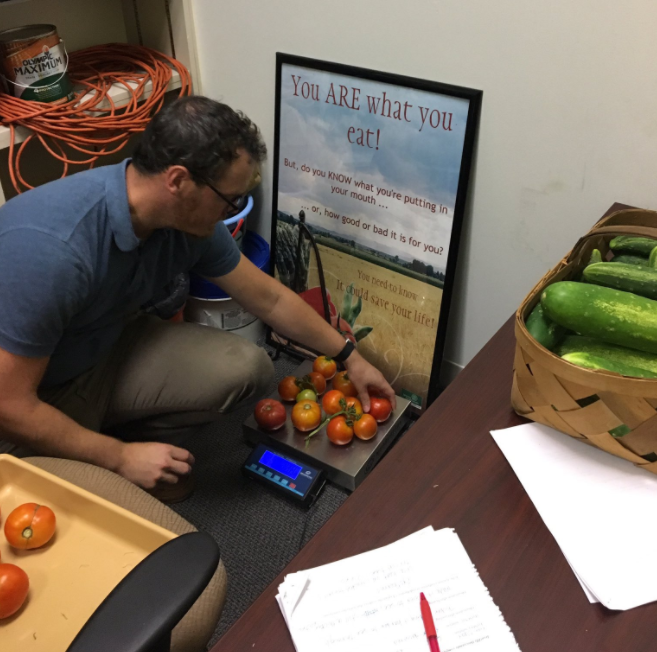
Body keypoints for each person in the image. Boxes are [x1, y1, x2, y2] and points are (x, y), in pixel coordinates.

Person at [0, 96, 395, 497]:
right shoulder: (52, 249)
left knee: (246, 366)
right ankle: (100, 450)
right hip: (30, 395)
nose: (234, 210)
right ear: (178, 181)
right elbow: (10, 405)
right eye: (230, 199)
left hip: (104, 348)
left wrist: (350, 358)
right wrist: (119, 457)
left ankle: (107, 437)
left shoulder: (187, 223)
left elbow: (270, 300)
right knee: (89, 526)